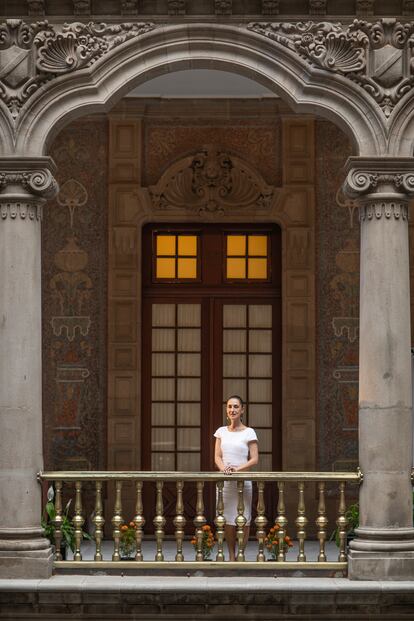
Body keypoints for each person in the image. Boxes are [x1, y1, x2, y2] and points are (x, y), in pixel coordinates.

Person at [214, 395, 259, 561]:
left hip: (243, 482)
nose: (232, 410)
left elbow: (254, 459)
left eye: (236, 407)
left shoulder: (249, 432)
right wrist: (224, 469)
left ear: (242, 410)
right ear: (227, 410)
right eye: (229, 407)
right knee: (227, 520)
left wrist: (236, 470)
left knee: (244, 520)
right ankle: (232, 555)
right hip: (225, 483)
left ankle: (241, 553)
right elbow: (217, 456)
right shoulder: (221, 431)